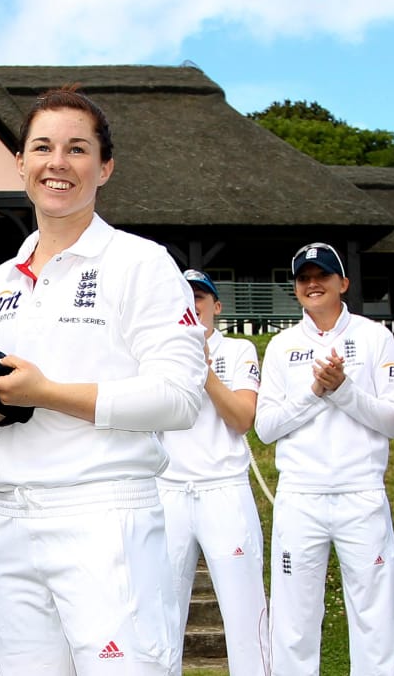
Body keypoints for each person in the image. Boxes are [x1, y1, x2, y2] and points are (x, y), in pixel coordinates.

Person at [0, 85, 207, 673]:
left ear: (106, 167)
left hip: (106, 518)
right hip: (12, 521)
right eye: (42, 147)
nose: (58, 163)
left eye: (77, 149)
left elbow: (179, 398)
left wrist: (46, 393)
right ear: (19, 162)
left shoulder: (141, 263)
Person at [255, 241, 394, 676]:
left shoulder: (375, 337)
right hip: (300, 496)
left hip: (361, 494)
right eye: (304, 278)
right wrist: (317, 392)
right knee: (294, 623)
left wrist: (344, 391)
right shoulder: (283, 346)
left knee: (375, 618)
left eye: (322, 275)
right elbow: (265, 429)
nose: (313, 284)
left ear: (343, 282)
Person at [158, 269, 267, 676]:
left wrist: (203, 371)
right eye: (184, 298)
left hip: (223, 490)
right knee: (161, 615)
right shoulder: (158, 356)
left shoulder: (238, 351)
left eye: (199, 298)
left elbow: (242, 418)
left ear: (216, 307)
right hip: (168, 491)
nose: (192, 305)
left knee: (245, 613)